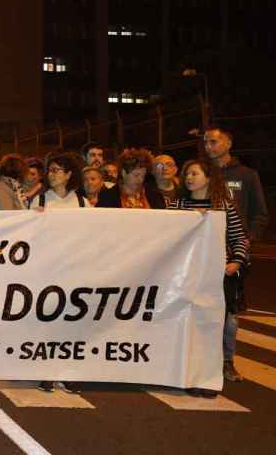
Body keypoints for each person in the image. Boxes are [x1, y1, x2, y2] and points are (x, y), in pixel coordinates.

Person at [168, 159, 250, 396]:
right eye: (186, 175)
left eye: (194, 173)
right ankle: (186, 372)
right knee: (187, 323)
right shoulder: (177, 205)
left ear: (208, 177)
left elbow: (238, 238)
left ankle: (206, 374)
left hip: (216, 278)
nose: (189, 178)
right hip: (184, 277)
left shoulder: (224, 206)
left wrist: (236, 261)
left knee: (210, 325)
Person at [28, 151, 89, 393]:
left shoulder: (83, 203)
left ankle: (68, 371)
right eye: (50, 170)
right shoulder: (40, 202)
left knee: (71, 322)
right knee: (47, 321)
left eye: (56, 170)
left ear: (69, 175)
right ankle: (46, 370)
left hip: (74, 270)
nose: (51, 175)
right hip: (47, 270)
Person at [204, 127, 269, 244]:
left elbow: (260, 214)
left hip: (236, 244)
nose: (208, 147)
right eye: (205, 143)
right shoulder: (202, 174)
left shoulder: (247, 175)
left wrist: (250, 238)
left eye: (213, 142)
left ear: (228, 144)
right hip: (207, 240)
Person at [96, 148, 166, 209]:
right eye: (136, 175)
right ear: (123, 173)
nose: (140, 179)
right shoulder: (107, 197)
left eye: (143, 175)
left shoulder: (155, 195)